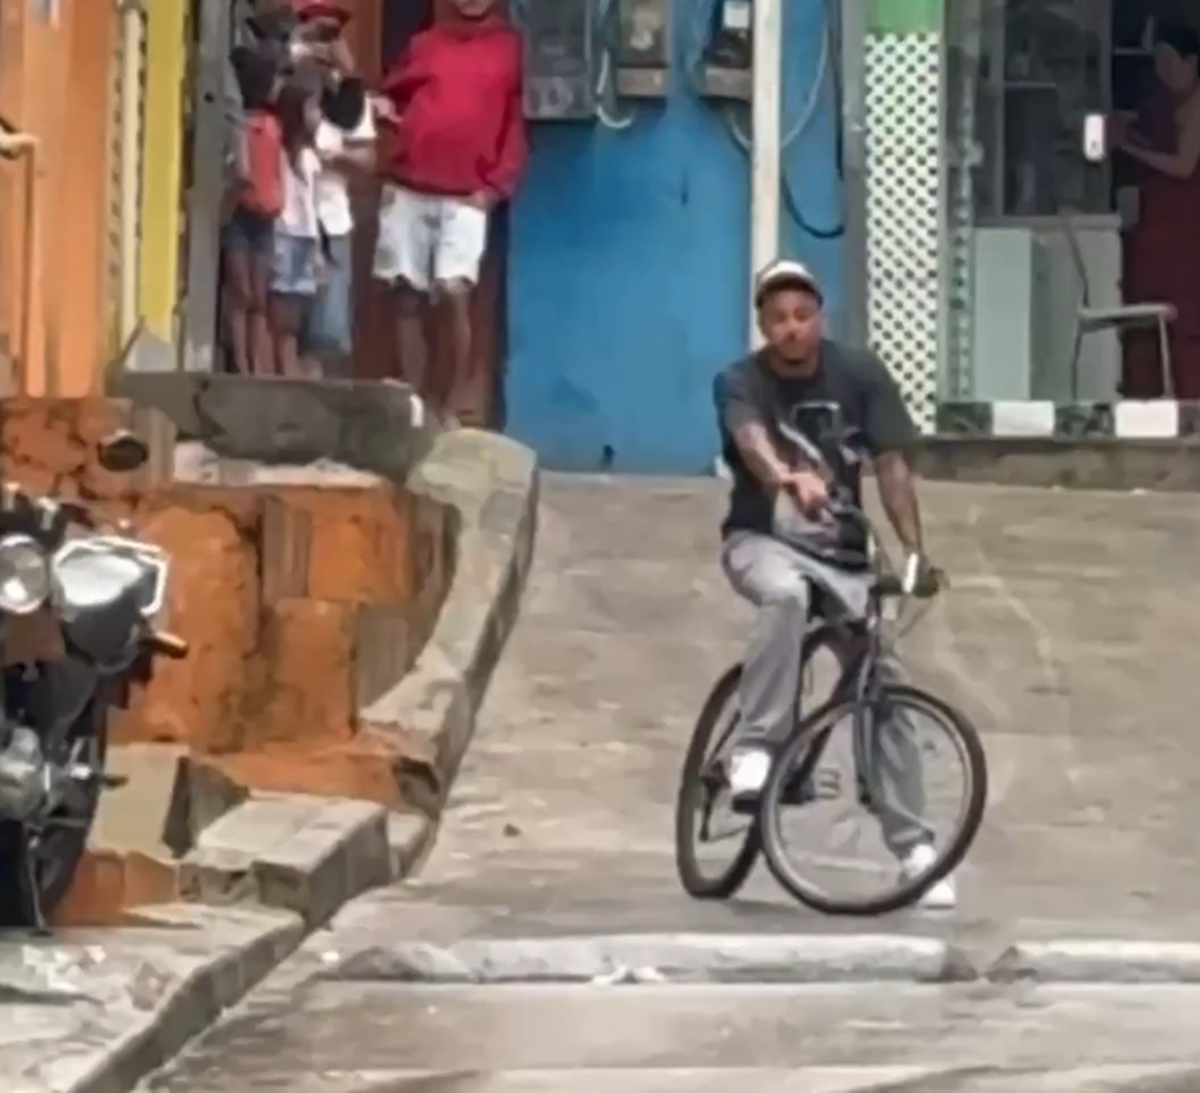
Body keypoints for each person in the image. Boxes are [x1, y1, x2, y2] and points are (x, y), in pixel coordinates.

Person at [713, 259, 955, 911]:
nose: (791, 328)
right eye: (778, 319)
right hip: (762, 541)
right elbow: (751, 437)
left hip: (845, 557)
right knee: (786, 597)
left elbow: (891, 465)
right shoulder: (740, 380)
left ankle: (913, 845)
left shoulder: (861, 374)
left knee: (887, 684)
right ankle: (757, 747)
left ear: (821, 317)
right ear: (763, 325)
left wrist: (913, 551)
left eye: (802, 315)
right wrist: (785, 477)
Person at [373, 0, 528, 421]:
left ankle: (445, 407)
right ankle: (413, 407)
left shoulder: (509, 48)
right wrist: (385, 113)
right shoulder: (425, 44)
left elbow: (515, 124)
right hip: (408, 184)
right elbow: (391, 96)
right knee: (405, 295)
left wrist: (495, 187)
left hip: (466, 195)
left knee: (453, 294)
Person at [1112, 20, 1200, 399]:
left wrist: (1127, 146)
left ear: (1191, 62)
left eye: (1171, 61)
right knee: (1148, 310)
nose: (1164, 71)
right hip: (1159, 222)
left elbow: (1183, 165)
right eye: (1158, 62)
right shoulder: (1164, 103)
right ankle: (1145, 395)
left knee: (1183, 316)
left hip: (1185, 225)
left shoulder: (1196, 104)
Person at [295, 0, 376, 375]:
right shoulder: (284, 80)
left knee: (327, 330)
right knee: (282, 319)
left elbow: (368, 162)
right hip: (287, 215)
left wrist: (331, 155)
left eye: (332, 35)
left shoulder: (352, 99)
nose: (324, 45)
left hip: (331, 219)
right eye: (316, 33)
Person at [223, 47, 283, 376]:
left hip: (240, 211)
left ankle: (242, 364)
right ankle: (257, 365)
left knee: (239, 293)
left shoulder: (238, 123)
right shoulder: (273, 126)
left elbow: (239, 171)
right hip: (268, 213)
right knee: (258, 297)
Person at [267, 80, 324, 378]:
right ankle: (285, 368)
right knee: (284, 309)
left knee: (290, 308)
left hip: (297, 235)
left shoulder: (301, 154)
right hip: (290, 234)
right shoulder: (297, 154)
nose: (317, 115)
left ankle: (288, 367)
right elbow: (310, 202)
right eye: (312, 107)